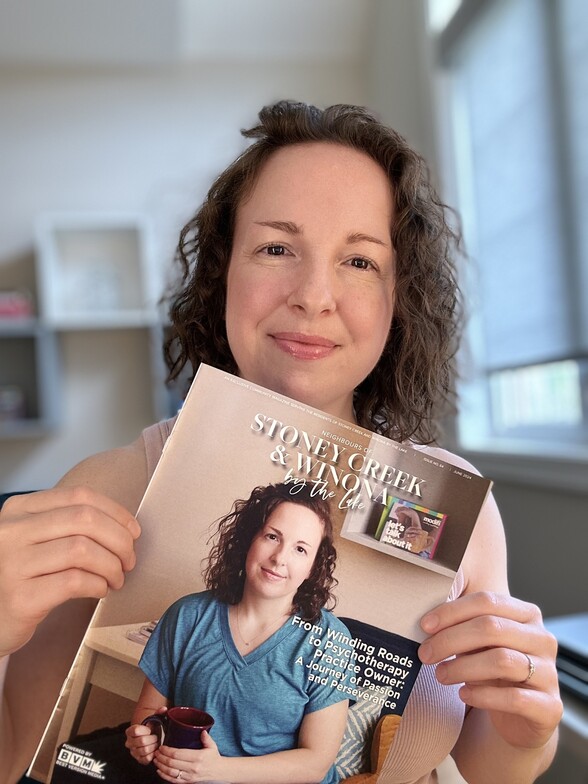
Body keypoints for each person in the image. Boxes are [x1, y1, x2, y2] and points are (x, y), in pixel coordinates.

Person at [0, 100, 562, 784]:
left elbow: (480, 767)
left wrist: (527, 734)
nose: (314, 295)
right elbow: (18, 754)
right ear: (222, 272)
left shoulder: (453, 511)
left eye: (360, 260)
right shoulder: (109, 489)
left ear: (399, 299)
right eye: (275, 248)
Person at [125, 482, 350, 784]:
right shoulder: (187, 615)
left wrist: (218, 770)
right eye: (272, 537)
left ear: (313, 566)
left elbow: (315, 765)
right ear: (249, 539)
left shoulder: (329, 639)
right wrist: (145, 738)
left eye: (300, 549)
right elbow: (148, 711)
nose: (279, 558)